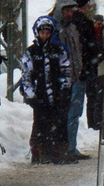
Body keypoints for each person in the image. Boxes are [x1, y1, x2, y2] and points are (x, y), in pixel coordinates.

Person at [20, 16, 71, 163]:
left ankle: (59, 153)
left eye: (47, 33)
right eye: (42, 33)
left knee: (59, 123)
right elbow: (26, 75)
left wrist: (64, 89)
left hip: (57, 94)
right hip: (39, 94)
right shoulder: (31, 52)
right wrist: (30, 94)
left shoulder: (59, 50)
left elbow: (66, 70)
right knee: (40, 124)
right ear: (37, 33)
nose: (45, 36)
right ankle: (39, 153)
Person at [52, 0, 87, 160]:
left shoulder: (72, 28)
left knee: (74, 114)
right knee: (65, 115)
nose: (69, 13)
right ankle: (64, 148)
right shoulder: (55, 29)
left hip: (76, 76)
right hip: (64, 79)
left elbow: (77, 51)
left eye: (71, 10)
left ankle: (71, 147)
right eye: (66, 10)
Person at [68, 0, 104, 139]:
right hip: (83, 70)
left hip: (68, 71)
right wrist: (101, 53)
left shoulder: (65, 22)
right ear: (83, 6)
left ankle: (64, 145)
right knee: (76, 109)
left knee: (67, 108)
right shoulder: (85, 24)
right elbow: (90, 48)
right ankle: (70, 145)